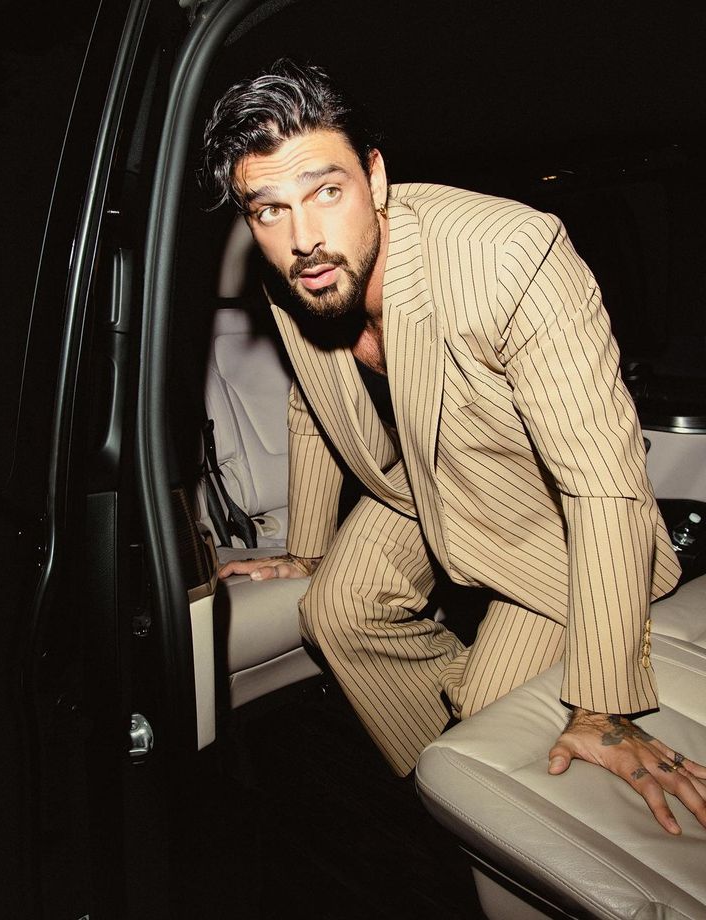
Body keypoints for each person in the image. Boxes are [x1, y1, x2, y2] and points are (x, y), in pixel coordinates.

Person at [203, 59, 706, 834]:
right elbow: (312, 401)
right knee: (335, 610)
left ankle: (478, 760)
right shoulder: (294, 274)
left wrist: (600, 704)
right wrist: (307, 549)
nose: (304, 239)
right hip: (416, 479)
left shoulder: (512, 254)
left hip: (546, 518)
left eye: (326, 192)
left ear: (375, 176)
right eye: (270, 209)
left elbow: (603, 483)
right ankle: (445, 787)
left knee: (489, 709)